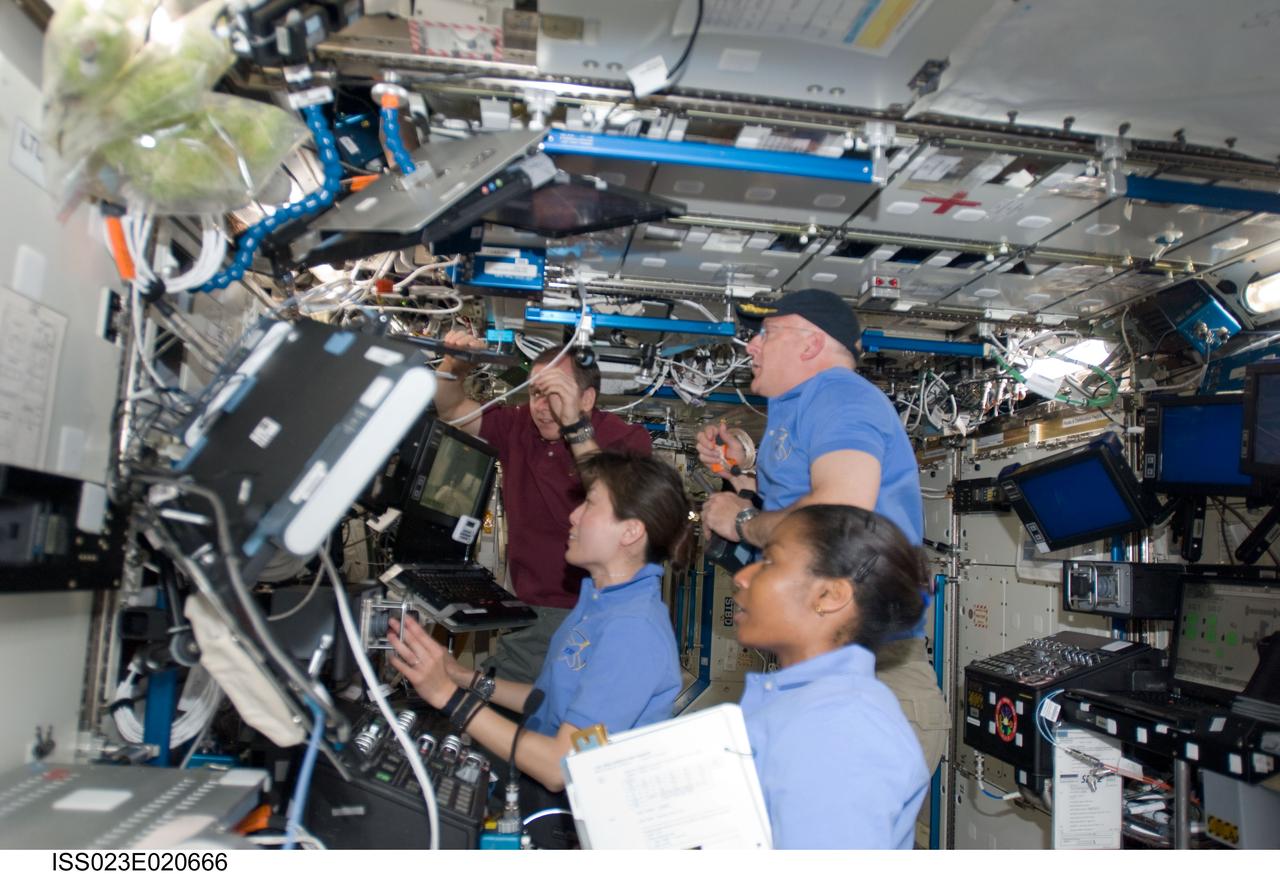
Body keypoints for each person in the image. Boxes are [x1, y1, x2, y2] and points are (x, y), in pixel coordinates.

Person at [698, 288, 949, 773]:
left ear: (811, 344)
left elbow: (839, 509)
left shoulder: (840, 394)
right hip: (827, 670)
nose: (751, 346)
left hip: (873, 676)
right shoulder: (804, 406)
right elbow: (807, 504)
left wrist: (743, 521)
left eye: (766, 334)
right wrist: (742, 473)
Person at [388, 451, 687, 795]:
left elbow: (560, 766)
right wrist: (464, 678)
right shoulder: (599, 603)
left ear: (631, 531)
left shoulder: (634, 630)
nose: (573, 515)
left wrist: (448, 696)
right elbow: (550, 700)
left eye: (589, 504)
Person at [434, 332, 652, 682]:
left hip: (591, 606)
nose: (542, 406)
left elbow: (611, 497)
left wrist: (574, 427)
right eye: (536, 393)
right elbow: (452, 410)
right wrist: (452, 367)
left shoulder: (624, 438)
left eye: (557, 394)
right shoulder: (518, 425)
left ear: (587, 399)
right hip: (531, 607)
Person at [733, 504, 930, 849]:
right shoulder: (810, 705)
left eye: (768, 561)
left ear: (830, 596)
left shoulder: (841, 729)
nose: (742, 576)